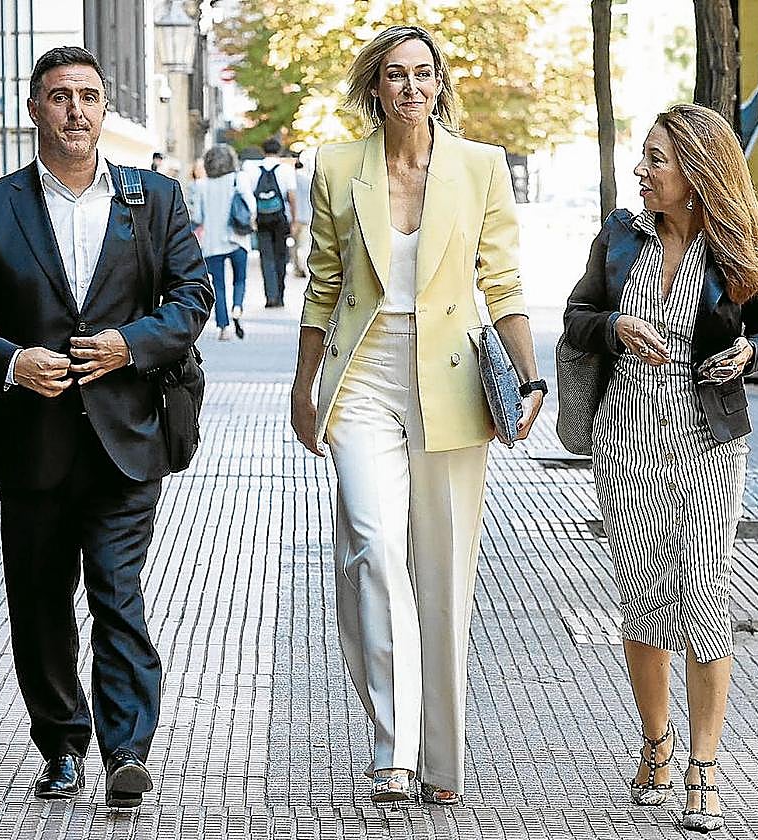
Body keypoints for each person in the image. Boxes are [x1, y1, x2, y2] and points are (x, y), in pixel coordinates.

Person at [0, 46, 212, 809]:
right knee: (40, 604)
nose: (76, 110)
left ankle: (127, 751)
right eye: (60, 96)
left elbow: (192, 297)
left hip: (127, 438)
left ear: (103, 108)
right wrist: (10, 360)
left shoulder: (153, 198)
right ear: (35, 109)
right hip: (32, 443)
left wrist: (131, 344)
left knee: (118, 594)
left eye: (88, 95)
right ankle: (61, 744)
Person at [289, 25, 544, 806]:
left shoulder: (480, 166)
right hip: (364, 372)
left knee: (444, 571)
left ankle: (441, 761)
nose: (410, 87)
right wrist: (304, 387)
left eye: (423, 74)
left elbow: (502, 283)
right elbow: (324, 284)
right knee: (372, 547)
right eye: (395, 75)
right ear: (375, 86)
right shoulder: (337, 166)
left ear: (439, 85)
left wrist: (529, 379)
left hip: (453, 379)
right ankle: (393, 750)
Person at [563, 103, 758, 834]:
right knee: (643, 597)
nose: (641, 170)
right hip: (625, 435)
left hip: (708, 440)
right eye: (644, 156)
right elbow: (575, 317)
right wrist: (615, 325)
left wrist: (752, 351)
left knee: (704, 596)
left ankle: (703, 766)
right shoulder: (620, 237)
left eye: (655, 159)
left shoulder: (736, 247)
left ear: (695, 171)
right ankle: (656, 744)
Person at [191, 143, 254, 340]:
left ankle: (223, 327)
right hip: (238, 238)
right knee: (240, 279)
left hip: (212, 242)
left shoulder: (202, 185)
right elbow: (251, 207)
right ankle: (238, 307)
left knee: (218, 286)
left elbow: (198, 216)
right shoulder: (239, 178)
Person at [252, 137, 297, 307]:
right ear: (279, 150)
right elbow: (292, 197)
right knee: (280, 256)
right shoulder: (286, 169)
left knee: (266, 257)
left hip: (262, 219)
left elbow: (251, 196)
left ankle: (270, 296)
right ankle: (280, 295)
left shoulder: (254, 170)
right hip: (280, 219)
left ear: (263, 151)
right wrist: (294, 220)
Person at [291, 150, 314, 277]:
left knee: (294, 245)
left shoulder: (290, 179)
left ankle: (297, 268)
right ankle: (304, 267)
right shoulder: (308, 180)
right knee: (304, 245)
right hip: (306, 216)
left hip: (293, 217)